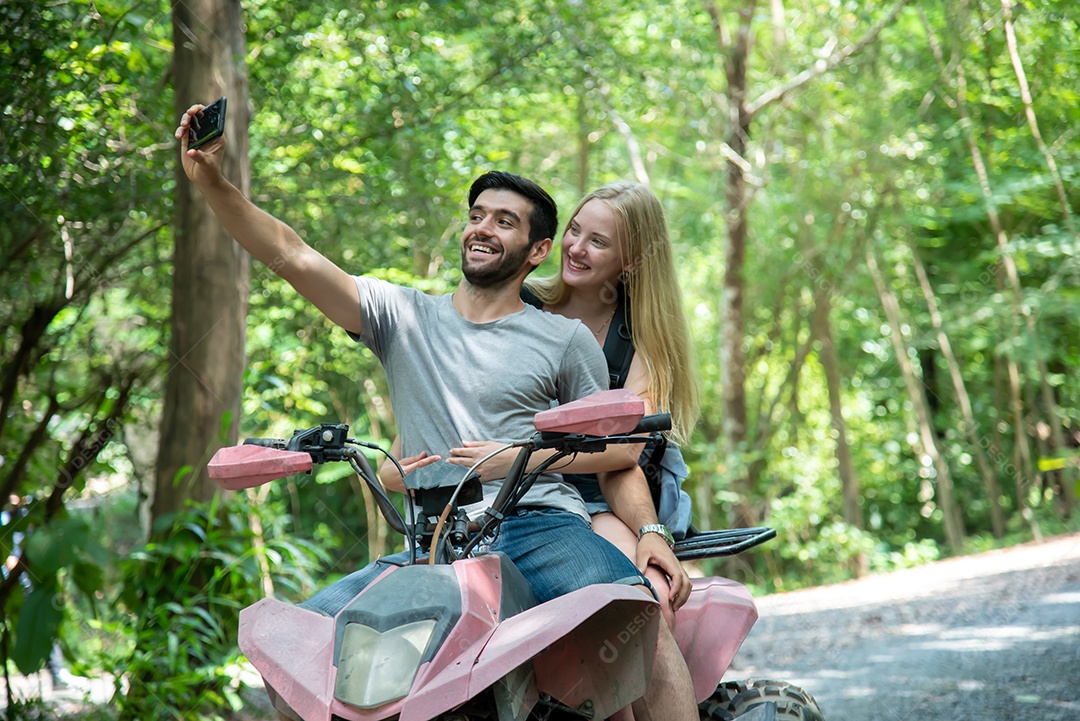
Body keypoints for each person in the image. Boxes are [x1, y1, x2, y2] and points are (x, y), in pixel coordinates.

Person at [174, 103, 699, 720]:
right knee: (296, 663)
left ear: (536, 250)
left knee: (630, 619)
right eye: (477, 216)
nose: (483, 228)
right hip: (430, 539)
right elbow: (290, 254)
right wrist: (213, 182)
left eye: (505, 221)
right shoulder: (401, 316)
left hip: (537, 523)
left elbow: (611, 452)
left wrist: (644, 528)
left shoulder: (563, 339)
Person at [384, 182, 698, 629]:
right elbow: (445, 403)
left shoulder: (641, 341)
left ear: (630, 262)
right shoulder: (518, 301)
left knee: (645, 602)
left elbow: (622, 453)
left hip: (602, 491)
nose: (576, 247)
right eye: (574, 231)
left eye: (598, 242)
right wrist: (399, 463)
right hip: (503, 495)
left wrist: (516, 459)